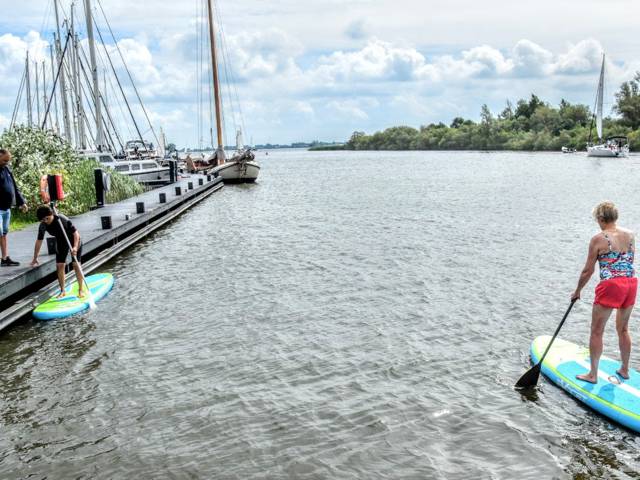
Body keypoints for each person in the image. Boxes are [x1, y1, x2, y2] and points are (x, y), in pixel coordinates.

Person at [572, 201, 637, 383]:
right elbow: (626, 260)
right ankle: (624, 370)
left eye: (597, 219)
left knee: (596, 331)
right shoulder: (630, 235)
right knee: (623, 329)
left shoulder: (598, 239)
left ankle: (592, 375)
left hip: (611, 285)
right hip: (631, 283)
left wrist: (578, 290)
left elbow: (588, 270)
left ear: (601, 218)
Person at [31, 205, 86, 298]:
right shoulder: (43, 225)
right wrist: (35, 257)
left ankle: (80, 290)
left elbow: (76, 233)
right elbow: (39, 241)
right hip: (61, 242)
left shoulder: (61, 219)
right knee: (60, 265)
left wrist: (75, 247)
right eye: (43, 220)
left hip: (73, 240)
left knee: (76, 265)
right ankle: (62, 291)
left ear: (51, 214)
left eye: (47, 219)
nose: (45, 221)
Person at [0, 148, 28, 266]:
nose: (6, 162)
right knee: (0, 232)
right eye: (5, 160)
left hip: (7, 208)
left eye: (8, 160)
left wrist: (22, 202)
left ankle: (5, 257)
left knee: (4, 233)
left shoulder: (7, 169)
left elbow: (14, 187)